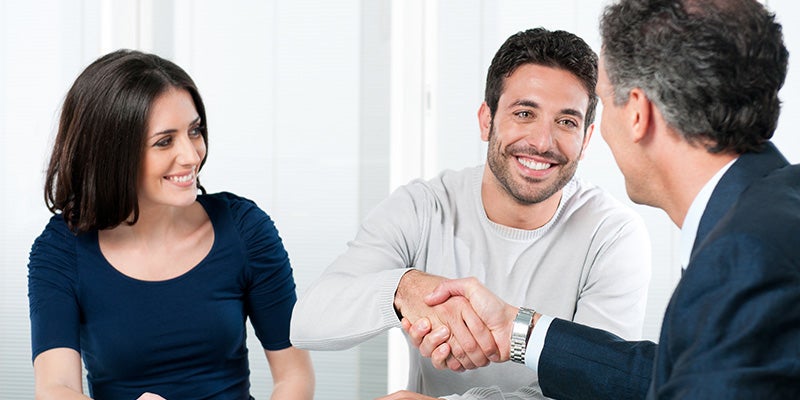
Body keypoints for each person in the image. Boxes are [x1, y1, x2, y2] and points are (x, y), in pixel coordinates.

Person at [404, 0, 800, 398]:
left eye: (605, 102)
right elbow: (678, 373)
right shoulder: (774, 208)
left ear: (637, 114)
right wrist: (517, 328)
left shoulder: (744, 257)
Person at [291, 28, 652, 399]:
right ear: (486, 120)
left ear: (586, 139)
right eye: (524, 113)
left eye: (566, 122)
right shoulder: (424, 206)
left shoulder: (613, 234)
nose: (543, 142)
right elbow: (308, 321)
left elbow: (598, 389)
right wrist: (405, 289)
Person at [28, 49, 314, 400]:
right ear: (111, 153)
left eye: (194, 131)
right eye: (165, 141)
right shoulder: (61, 249)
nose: (192, 155)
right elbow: (55, 388)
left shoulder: (244, 228)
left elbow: (294, 376)